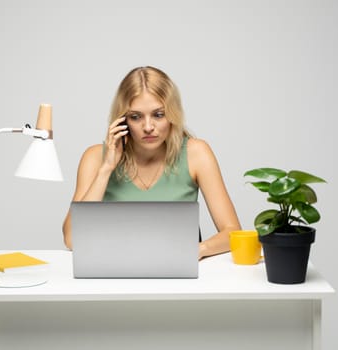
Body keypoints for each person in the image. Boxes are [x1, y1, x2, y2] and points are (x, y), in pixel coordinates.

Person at [62, 66, 240, 259]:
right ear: (123, 121)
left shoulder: (196, 153)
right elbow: (72, 239)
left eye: (158, 114)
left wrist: (198, 250)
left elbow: (232, 232)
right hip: (115, 272)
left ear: (172, 115)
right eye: (136, 117)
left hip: (177, 271)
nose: (148, 127)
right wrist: (106, 169)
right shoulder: (95, 158)